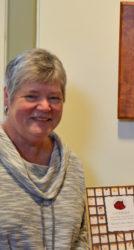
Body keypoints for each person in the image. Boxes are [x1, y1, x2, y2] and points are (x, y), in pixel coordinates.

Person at [0, 48, 90, 249]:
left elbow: (81, 238)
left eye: (54, 98)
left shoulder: (73, 168)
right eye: (32, 96)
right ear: (8, 96)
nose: (45, 107)